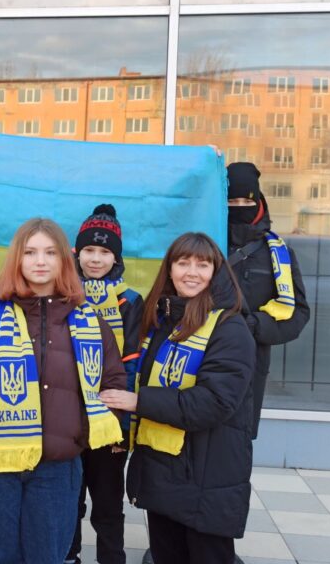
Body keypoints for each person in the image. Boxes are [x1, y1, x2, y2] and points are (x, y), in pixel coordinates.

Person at [0, 217, 127, 564]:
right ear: (16, 259)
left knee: (48, 555)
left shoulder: (89, 319)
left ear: (64, 260)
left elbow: (112, 382)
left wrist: (78, 427)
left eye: (50, 252)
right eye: (31, 252)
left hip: (58, 465)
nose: (40, 261)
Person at [102, 232, 254, 564]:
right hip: (163, 471)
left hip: (206, 476)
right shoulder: (162, 322)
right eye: (183, 262)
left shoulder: (229, 328)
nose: (191, 272)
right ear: (169, 269)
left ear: (216, 272)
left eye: (202, 264)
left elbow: (215, 402)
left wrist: (137, 402)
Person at [66, 205, 144, 564]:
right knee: (68, 498)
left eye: (105, 252)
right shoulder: (62, 291)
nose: (96, 259)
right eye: (89, 251)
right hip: (67, 416)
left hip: (110, 418)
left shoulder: (130, 300)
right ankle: (68, 556)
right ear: (76, 253)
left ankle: (111, 559)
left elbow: (132, 362)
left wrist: (117, 420)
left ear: (116, 257)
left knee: (108, 503)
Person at [226, 162, 310, 438]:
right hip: (199, 357)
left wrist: (255, 325)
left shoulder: (278, 253)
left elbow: (297, 313)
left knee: (238, 445)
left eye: (246, 200)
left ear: (258, 202)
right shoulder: (204, 244)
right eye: (231, 200)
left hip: (250, 361)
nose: (239, 207)